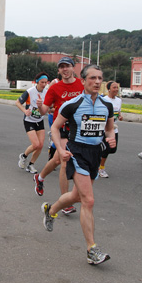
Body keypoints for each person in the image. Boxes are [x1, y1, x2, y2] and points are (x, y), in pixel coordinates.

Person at [41, 64, 115, 265]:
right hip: (77, 152)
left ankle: (51, 210)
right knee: (88, 200)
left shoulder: (106, 105)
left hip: (94, 154)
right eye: (92, 78)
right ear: (83, 81)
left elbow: (109, 128)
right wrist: (61, 149)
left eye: (100, 78)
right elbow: (55, 128)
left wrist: (110, 138)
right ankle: (92, 249)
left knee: (76, 196)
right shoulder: (72, 104)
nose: (97, 82)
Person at [33, 57, 84, 210]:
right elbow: (44, 111)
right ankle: (65, 203)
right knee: (64, 161)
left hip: (78, 128)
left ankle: (39, 177)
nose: (64, 69)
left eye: (67, 66)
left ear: (73, 68)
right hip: (60, 126)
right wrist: (41, 106)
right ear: (58, 70)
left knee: (56, 160)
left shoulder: (81, 84)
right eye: (61, 67)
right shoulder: (55, 88)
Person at [16, 73, 48, 173]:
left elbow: (48, 106)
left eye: (45, 82)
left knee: (41, 145)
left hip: (39, 120)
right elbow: (18, 102)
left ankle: (31, 164)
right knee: (35, 144)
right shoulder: (29, 92)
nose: (44, 84)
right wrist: (25, 111)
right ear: (37, 82)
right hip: (29, 121)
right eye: (42, 82)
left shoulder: (47, 92)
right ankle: (23, 156)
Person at [98, 81, 123, 178]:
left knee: (113, 149)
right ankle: (101, 168)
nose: (116, 89)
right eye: (114, 87)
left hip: (114, 129)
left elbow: (118, 112)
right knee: (107, 149)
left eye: (117, 88)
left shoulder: (119, 100)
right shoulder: (103, 100)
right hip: (104, 129)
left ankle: (98, 157)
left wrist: (120, 116)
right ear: (109, 89)